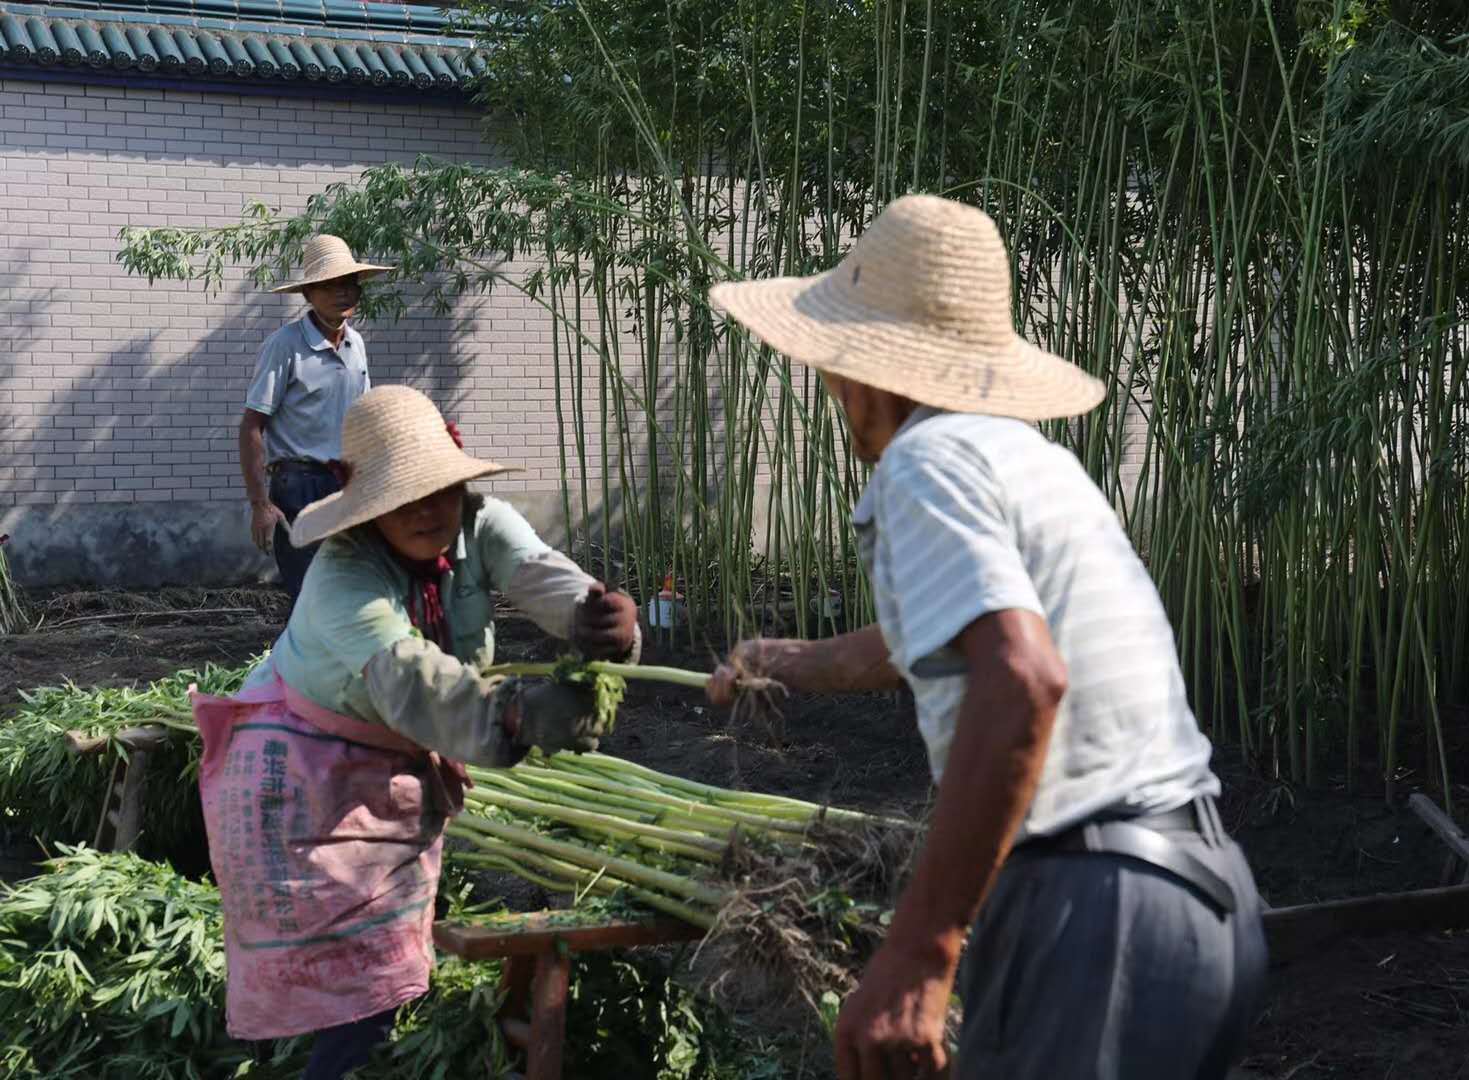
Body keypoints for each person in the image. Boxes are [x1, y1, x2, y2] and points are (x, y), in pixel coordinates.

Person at [706, 194, 1267, 1080]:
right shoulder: (1020, 457)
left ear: (863, 369)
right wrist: (777, 661)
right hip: (1199, 896)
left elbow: (1022, 681)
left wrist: (919, 953)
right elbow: (932, 644)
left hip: (1093, 912)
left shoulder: (923, 464)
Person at [192, 385, 640, 1079]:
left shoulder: (480, 521)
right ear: (366, 504)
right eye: (406, 496)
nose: (430, 509)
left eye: (440, 488)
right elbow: (414, 682)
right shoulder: (344, 578)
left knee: (376, 972)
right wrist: (519, 714)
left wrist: (603, 621)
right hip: (300, 778)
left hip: (386, 757)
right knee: (354, 990)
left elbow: (546, 577)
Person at [241, 234, 389, 602]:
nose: (343, 293)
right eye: (330, 286)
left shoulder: (357, 346)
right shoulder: (285, 346)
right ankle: (301, 660)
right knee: (312, 598)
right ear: (308, 293)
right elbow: (252, 426)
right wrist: (260, 503)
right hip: (299, 485)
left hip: (347, 482)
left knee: (353, 592)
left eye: (349, 284)